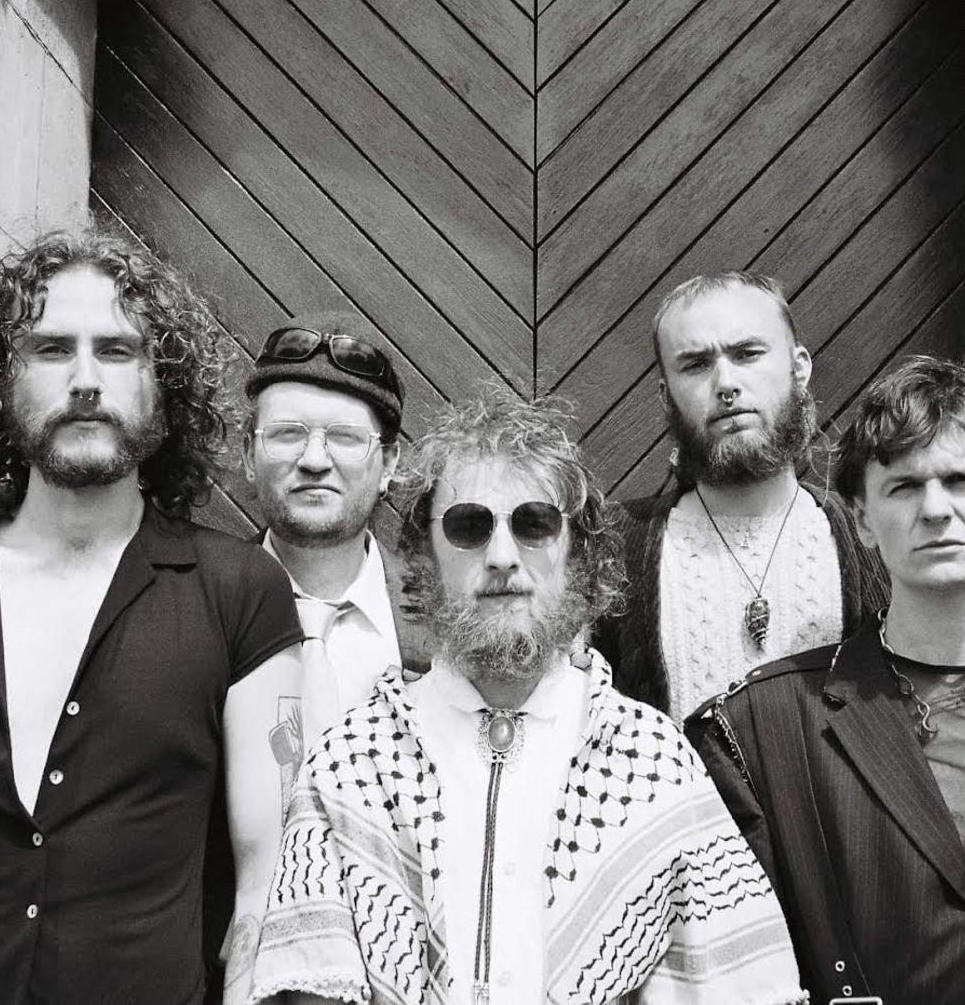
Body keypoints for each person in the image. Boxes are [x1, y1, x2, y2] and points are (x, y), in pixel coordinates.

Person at [244, 384, 805, 1005]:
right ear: (425, 556)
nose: (502, 556)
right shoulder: (353, 760)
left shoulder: (652, 759)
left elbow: (741, 988)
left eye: (535, 524)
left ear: (578, 555)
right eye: (468, 527)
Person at [0, 230, 303, 1004]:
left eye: (117, 352)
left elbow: (267, 876)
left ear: (164, 385)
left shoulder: (239, 590)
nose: (85, 380)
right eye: (52, 349)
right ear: (3, 379)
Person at [686, 356, 965, 1003]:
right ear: (861, 519)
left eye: (962, 480)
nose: (935, 509)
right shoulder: (759, 730)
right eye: (903, 487)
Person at [596, 270, 888, 722]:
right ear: (666, 396)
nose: (725, 383)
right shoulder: (612, 548)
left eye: (747, 354)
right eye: (696, 364)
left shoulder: (877, 536)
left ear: (799, 368)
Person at [242, 311, 430, 759]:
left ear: (388, 465)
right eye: (287, 434)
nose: (314, 460)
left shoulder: (444, 622)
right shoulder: (194, 610)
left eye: (345, 437)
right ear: (248, 455)